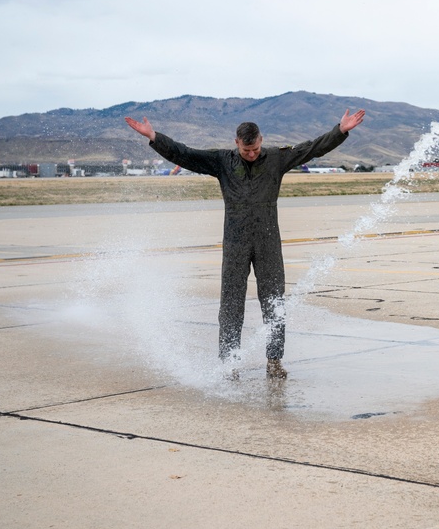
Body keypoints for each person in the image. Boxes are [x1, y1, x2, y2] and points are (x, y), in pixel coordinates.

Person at [124, 109, 365, 380]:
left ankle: (274, 361)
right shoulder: (222, 161)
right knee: (231, 304)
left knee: (273, 301)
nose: (252, 154)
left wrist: (340, 130)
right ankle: (230, 364)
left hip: (268, 242)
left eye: (256, 149)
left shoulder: (276, 157)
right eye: (246, 150)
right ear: (236, 142)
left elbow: (311, 149)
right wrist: (155, 137)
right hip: (235, 242)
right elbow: (185, 154)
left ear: (261, 140)